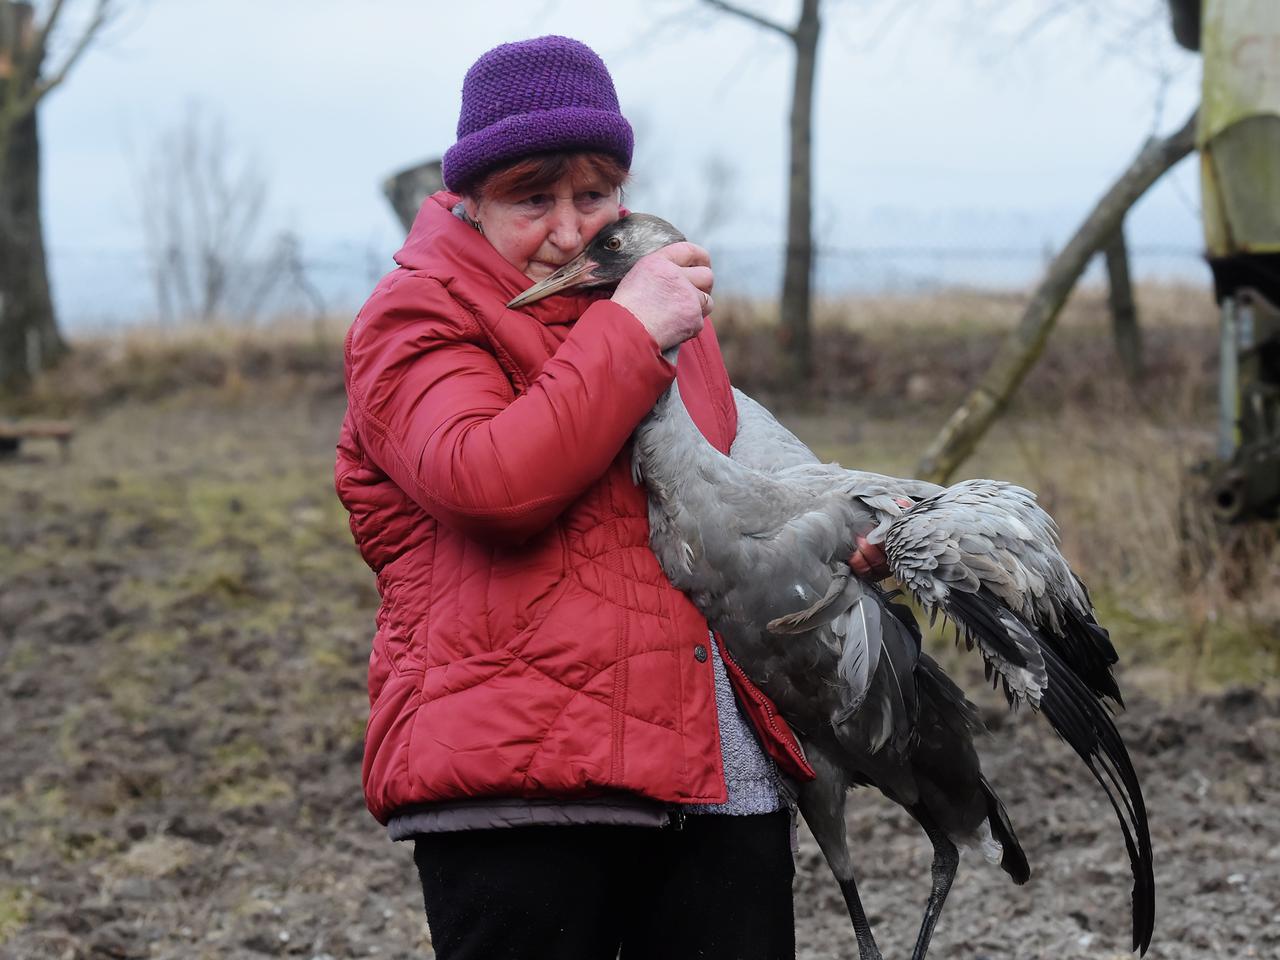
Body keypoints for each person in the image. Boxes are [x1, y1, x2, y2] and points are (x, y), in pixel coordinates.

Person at [335, 35, 885, 960]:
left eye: (593, 195)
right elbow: (490, 480)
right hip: (523, 790)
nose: (567, 228)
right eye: (530, 198)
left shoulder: (658, 312)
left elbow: (727, 493)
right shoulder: (418, 316)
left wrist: (844, 535)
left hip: (716, 775)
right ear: (467, 202)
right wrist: (630, 331)